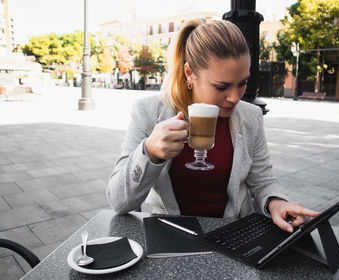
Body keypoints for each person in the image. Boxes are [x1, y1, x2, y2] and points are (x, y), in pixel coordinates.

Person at [107, 19, 319, 233]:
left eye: (242, 83)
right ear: (190, 74)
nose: (235, 98)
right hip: (170, 233)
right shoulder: (149, 112)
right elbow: (119, 202)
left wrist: (276, 202)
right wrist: (149, 152)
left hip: (234, 234)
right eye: (221, 86)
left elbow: (262, 180)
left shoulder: (250, 116)